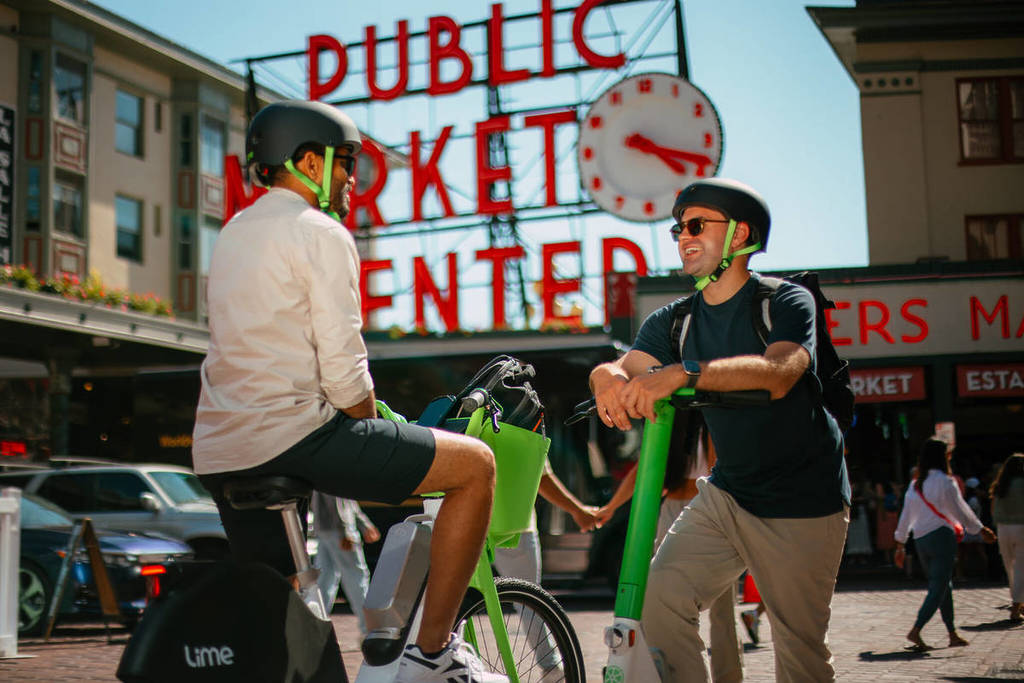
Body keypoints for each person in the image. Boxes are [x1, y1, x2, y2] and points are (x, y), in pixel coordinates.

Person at [192, 100, 506, 683]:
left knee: (284, 614)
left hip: (219, 451)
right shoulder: (319, 232)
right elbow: (344, 369)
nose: (349, 179)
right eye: (344, 163)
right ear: (308, 160)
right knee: (476, 466)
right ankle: (433, 652)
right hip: (293, 439)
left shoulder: (234, 231)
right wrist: (372, 417)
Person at [589, 178, 851, 682]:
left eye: (696, 224)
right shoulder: (676, 320)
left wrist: (685, 374)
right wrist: (605, 379)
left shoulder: (785, 300)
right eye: (676, 228)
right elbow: (624, 366)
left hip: (803, 499)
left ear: (738, 235)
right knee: (660, 602)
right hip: (729, 494)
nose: (682, 235)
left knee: (800, 654)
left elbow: (780, 373)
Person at [594, 413, 745, 682]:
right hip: (673, 511)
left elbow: (717, 468)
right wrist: (610, 508)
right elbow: (643, 469)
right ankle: (669, 670)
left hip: (708, 510)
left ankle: (729, 677)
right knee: (660, 597)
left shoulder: (713, 416)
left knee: (723, 607)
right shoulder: (671, 419)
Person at [893, 438, 997, 651]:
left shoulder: (915, 484)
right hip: (941, 537)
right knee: (938, 586)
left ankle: (951, 633)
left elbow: (906, 515)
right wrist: (980, 529)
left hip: (920, 539)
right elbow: (960, 510)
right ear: (943, 457)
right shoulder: (945, 481)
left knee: (942, 584)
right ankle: (916, 630)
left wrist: (900, 544)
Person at [311, 493, 380, 634]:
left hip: (325, 529)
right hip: (339, 530)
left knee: (325, 579)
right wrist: (346, 530)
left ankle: (315, 626)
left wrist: (363, 523)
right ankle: (369, 629)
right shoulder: (333, 473)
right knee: (356, 577)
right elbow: (338, 499)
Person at [990, 452, 1024, 623]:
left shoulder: (1001, 484)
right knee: (1020, 568)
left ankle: (1018, 602)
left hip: (1003, 528)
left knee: (1009, 567)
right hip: (1021, 527)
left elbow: (993, 508)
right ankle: (1017, 605)